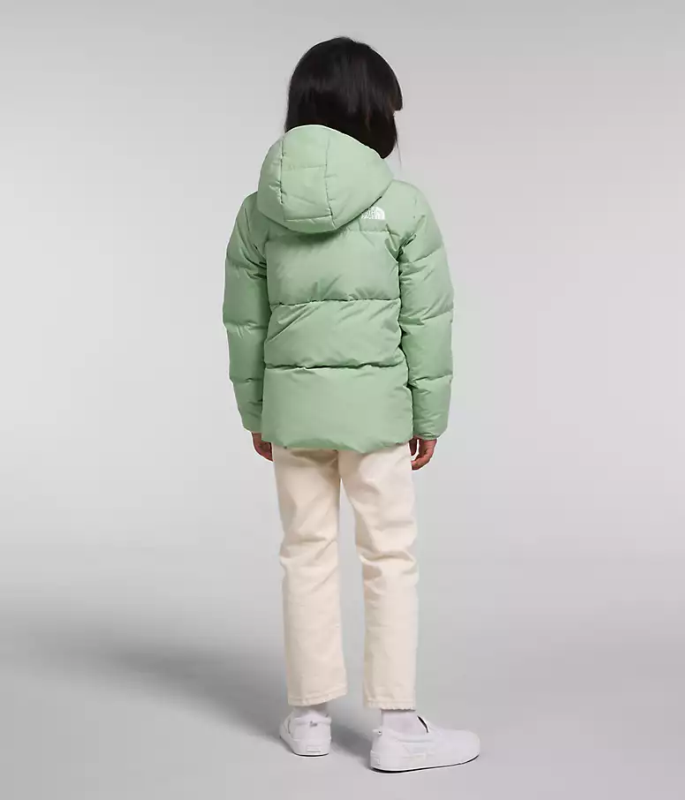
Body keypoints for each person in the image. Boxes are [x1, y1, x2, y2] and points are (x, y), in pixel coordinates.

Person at [222, 37, 479, 772]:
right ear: (371, 113)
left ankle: (308, 717)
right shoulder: (403, 206)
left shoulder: (258, 211)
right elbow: (426, 322)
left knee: (304, 552)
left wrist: (256, 412)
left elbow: (245, 322)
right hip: (378, 415)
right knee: (388, 555)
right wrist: (428, 417)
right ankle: (398, 728)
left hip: (293, 412)